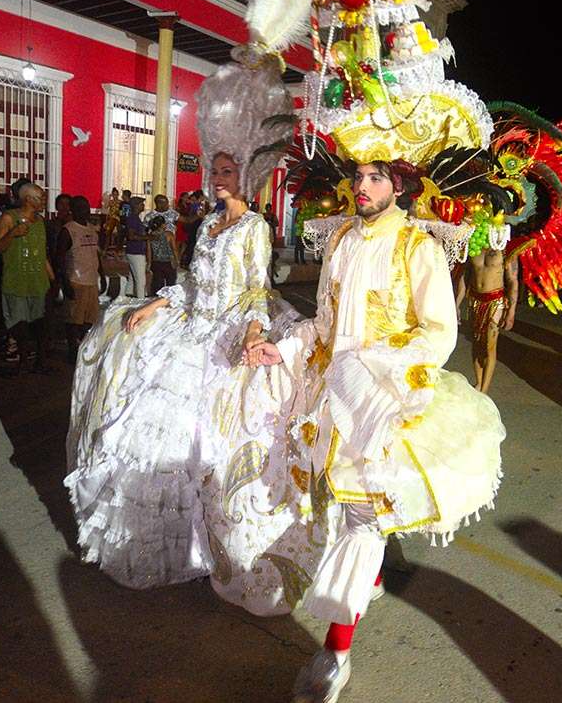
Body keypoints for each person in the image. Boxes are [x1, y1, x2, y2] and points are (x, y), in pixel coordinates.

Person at [244, 161, 507, 699]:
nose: (362, 188)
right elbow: (323, 323)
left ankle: (335, 655)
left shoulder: (418, 246)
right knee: (337, 501)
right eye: (359, 176)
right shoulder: (340, 238)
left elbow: (438, 332)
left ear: (400, 187)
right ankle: (374, 577)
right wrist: (285, 347)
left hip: (382, 399)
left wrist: (379, 370)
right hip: (331, 396)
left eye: (377, 178)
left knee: (362, 517)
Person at [66, 151, 319, 607]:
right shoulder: (207, 225)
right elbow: (190, 284)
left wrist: (254, 333)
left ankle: (210, 549)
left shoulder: (254, 228)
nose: (218, 180)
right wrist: (151, 306)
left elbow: (257, 291)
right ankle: (173, 547)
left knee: (212, 440)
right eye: (215, 172)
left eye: (228, 172)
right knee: (148, 426)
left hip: (227, 334)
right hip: (190, 328)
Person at [0, 183, 54, 374]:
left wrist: (52, 279)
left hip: (38, 283)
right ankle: (23, 360)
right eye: (40, 198)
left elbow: (42, 255)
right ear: (28, 199)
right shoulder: (9, 218)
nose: (44, 202)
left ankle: (40, 362)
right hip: (16, 281)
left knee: (41, 324)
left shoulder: (40, 221)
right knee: (19, 326)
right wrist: (12, 234)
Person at [455, 247, 518, 393]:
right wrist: (457, 304)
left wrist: (511, 311)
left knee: (489, 346)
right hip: (475, 300)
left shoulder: (506, 246)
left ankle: (484, 389)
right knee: (477, 343)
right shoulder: (474, 244)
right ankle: (479, 382)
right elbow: (465, 276)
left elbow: (512, 281)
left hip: (495, 301)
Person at [55, 196, 102, 363]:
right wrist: (65, 282)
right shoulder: (68, 230)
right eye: (81, 207)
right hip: (76, 280)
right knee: (73, 319)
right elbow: (59, 259)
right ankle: (72, 350)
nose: (86, 211)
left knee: (90, 319)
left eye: (87, 207)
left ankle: (84, 346)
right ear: (73, 210)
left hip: (91, 281)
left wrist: (101, 276)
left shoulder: (91, 229)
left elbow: (96, 254)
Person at [145, 214, 177, 294]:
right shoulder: (169, 234)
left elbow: (149, 251)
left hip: (156, 263)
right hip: (168, 262)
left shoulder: (150, 236)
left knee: (158, 284)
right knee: (171, 283)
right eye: (165, 223)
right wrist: (177, 260)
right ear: (162, 225)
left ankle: (157, 300)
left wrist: (149, 264)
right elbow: (174, 249)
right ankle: (169, 300)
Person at [123, 197, 148, 298]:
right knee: (141, 280)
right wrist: (147, 237)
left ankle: (128, 296)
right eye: (142, 204)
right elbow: (131, 236)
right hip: (136, 252)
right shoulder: (133, 218)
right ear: (137, 206)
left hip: (132, 251)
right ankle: (141, 301)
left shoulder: (134, 218)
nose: (143, 206)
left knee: (132, 278)